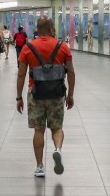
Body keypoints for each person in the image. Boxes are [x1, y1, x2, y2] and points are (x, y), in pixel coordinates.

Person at [16, 17, 75, 178]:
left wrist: (18, 97)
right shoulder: (62, 47)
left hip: (36, 94)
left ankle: (40, 166)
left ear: (37, 28)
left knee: (38, 130)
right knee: (57, 128)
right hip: (57, 94)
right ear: (51, 29)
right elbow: (71, 72)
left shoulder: (28, 48)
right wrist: (70, 95)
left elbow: (21, 74)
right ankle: (57, 149)